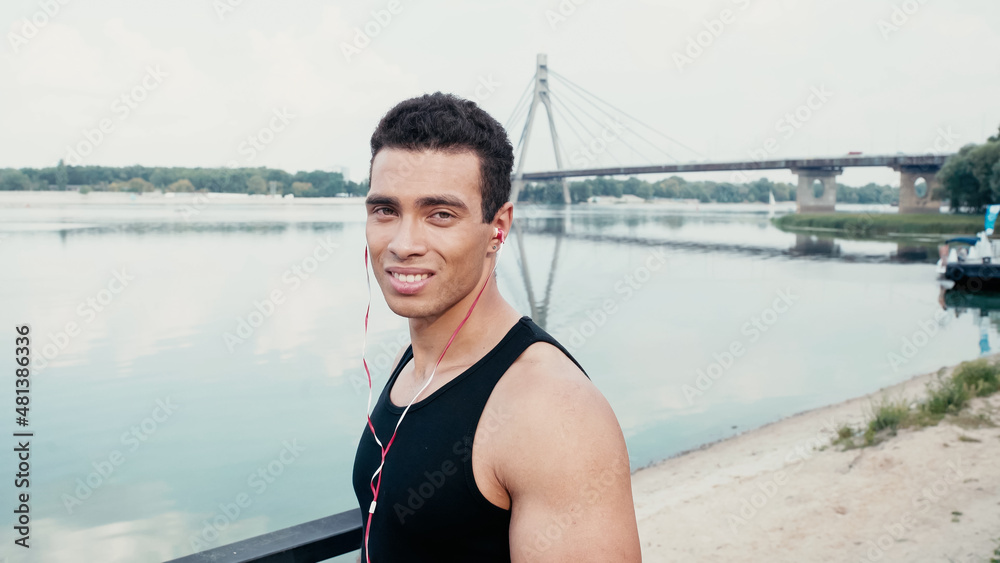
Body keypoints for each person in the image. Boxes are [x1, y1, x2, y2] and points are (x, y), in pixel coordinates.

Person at [352, 92, 641, 562]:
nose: (404, 244)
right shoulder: (418, 364)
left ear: (498, 227)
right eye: (386, 210)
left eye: (440, 214)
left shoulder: (551, 410)